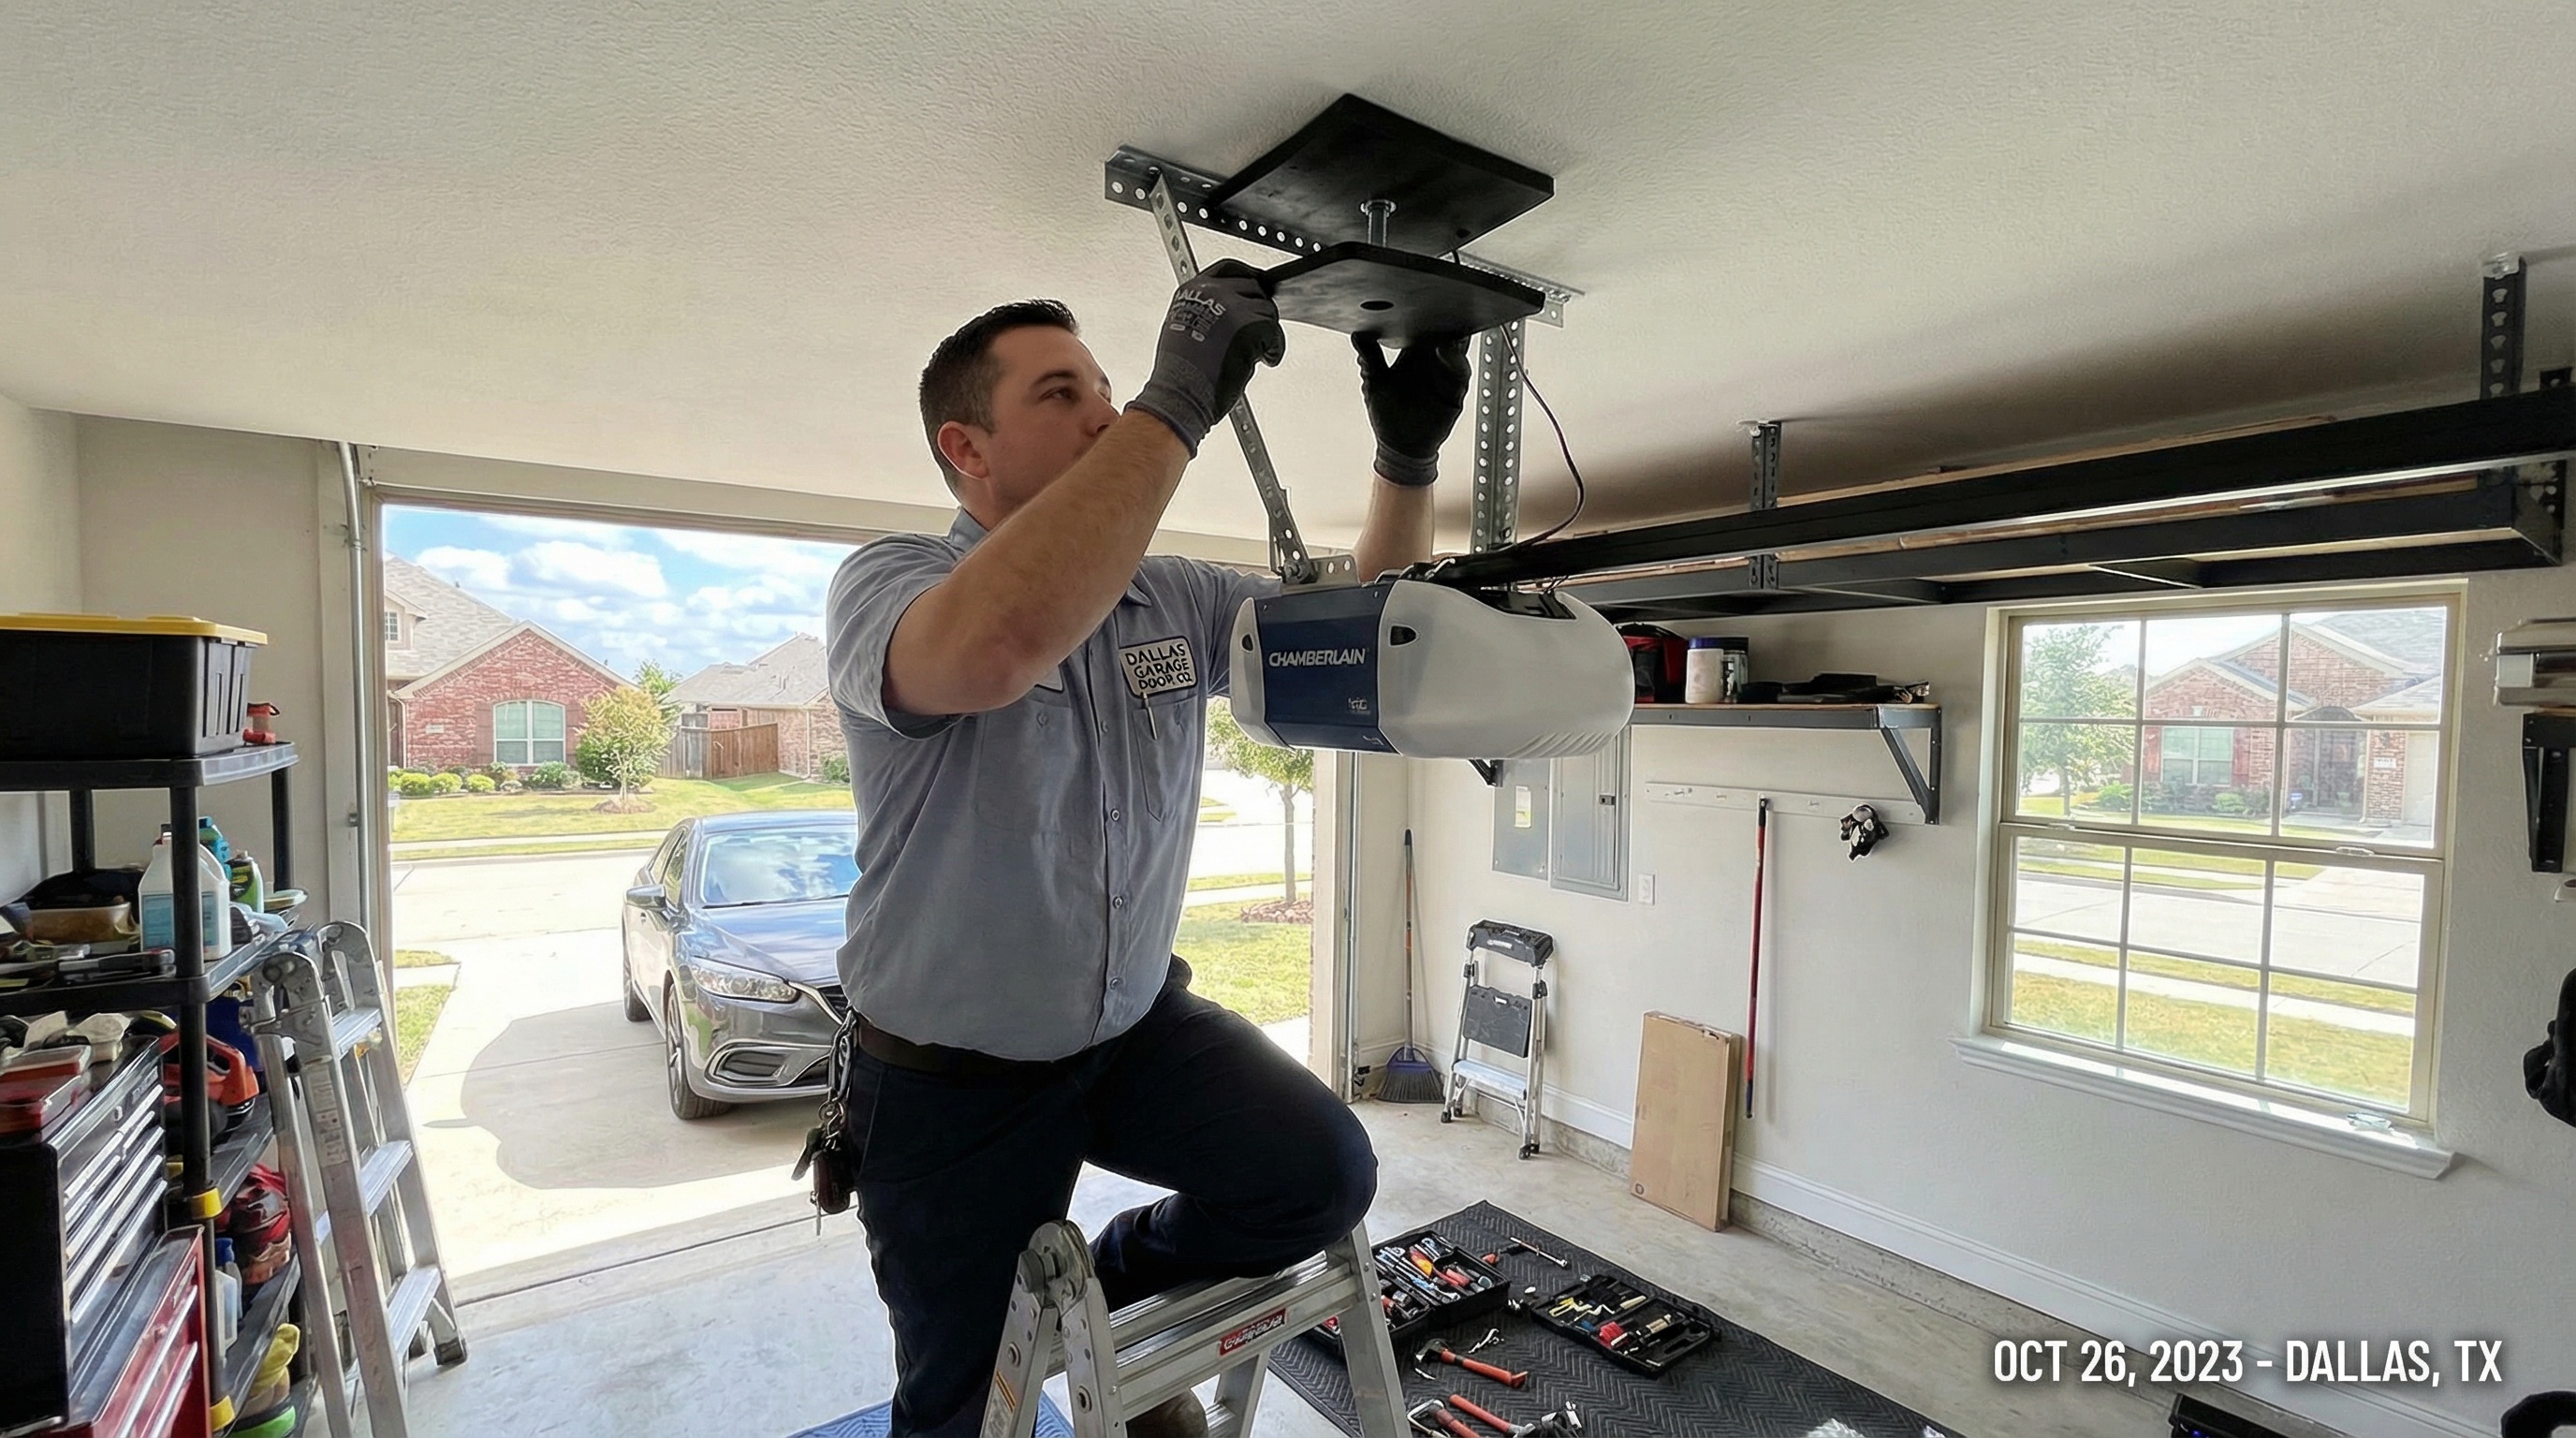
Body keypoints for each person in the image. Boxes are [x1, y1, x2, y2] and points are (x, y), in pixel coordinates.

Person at [823, 260, 1472, 1438]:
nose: (1108, 416)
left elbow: (1370, 642)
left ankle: (1099, 1291)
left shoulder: (1170, 596)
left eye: (1113, 390)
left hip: (1129, 1032)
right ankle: (1029, 1327)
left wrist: (1406, 461)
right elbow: (998, 646)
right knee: (964, 1403)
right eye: (1061, 395)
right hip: (944, 1081)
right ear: (966, 449)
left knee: (1316, 1175)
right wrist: (1181, 403)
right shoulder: (892, 583)